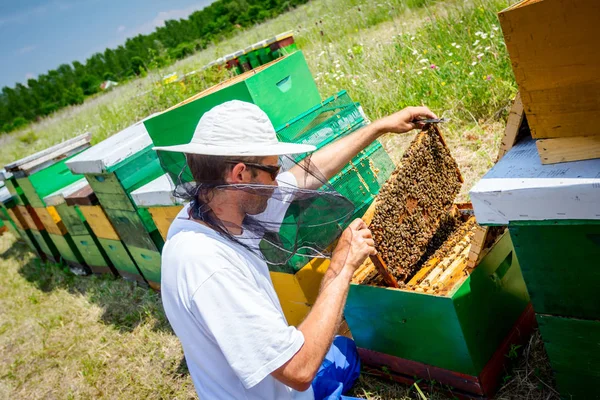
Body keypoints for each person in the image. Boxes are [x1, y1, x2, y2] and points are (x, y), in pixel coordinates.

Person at [156, 100, 436, 399]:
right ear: (239, 174)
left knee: (345, 350)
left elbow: (304, 176)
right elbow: (299, 370)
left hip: (281, 384)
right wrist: (340, 270)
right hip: (290, 387)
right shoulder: (210, 269)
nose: (277, 184)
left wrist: (379, 127)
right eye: (272, 171)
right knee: (323, 354)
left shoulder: (211, 208)